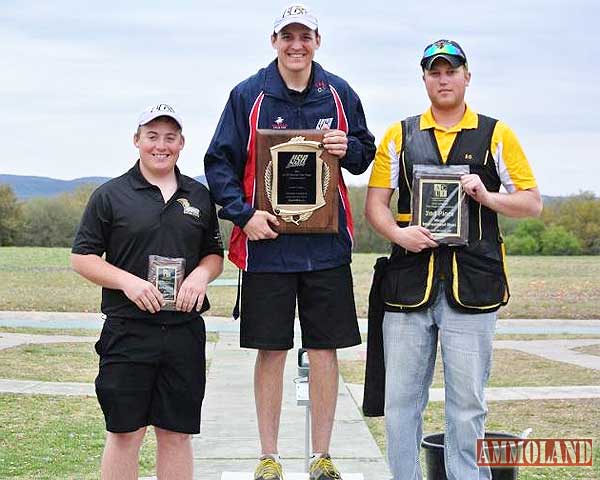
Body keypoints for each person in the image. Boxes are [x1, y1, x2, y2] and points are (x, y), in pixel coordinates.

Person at [204, 4, 375, 480]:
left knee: (324, 349)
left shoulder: (339, 92)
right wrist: (244, 215)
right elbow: (218, 162)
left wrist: (349, 148)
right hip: (268, 245)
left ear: (317, 41)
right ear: (273, 41)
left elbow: (366, 153)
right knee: (271, 349)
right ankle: (269, 456)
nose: (296, 45)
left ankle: (321, 455)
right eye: (287, 36)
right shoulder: (248, 94)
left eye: (305, 36)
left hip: (326, 246)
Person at [363, 39, 542, 480]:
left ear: (467, 76)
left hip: (473, 287)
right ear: (424, 78)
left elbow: (532, 203)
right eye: (434, 71)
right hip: (408, 286)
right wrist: (398, 232)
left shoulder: (497, 134)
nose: (443, 79)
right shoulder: (398, 135)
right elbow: (375, 206)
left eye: (451, 70)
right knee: (401, 402)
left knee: (467, 404)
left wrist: (487, 195)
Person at [71, 103, 224, 480]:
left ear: (181, 143)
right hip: (127, 330)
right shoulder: (110, 195)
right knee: (125, 433)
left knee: (176, 434)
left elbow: (214, 254)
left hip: (184, 331)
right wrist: (129, 281)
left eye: (169, 137)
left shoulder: (199, 196)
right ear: (136, 140)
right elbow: (83, 258)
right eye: (152, 136)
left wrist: (201, 276)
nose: (161, 145)